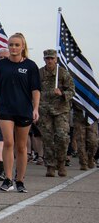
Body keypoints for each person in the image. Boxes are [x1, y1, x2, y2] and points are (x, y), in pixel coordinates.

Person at [0, 32, 41, 194]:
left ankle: (20, 180)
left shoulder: (31, 66)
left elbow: (35, 90)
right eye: (11, 44)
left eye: (17, 45)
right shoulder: (0, 66)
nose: (13, 47)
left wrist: (35, 108)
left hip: (24, 110)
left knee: (21, 146)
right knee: (8, 142)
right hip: (4, 109)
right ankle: (8, 178)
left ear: (23, 46)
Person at [37, 48, 75, 177]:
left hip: (61, 111)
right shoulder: (40, 73)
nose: (49, 61)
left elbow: (72, 91)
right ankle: (50, 166)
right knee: (47, 139)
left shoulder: (63, 73)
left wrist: (63, 93)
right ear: (44, 59)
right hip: (44, 110)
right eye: (47, 58)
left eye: (52, 58)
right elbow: (34, 90)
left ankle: (61, 163)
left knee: (62, 138)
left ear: (56, 59)